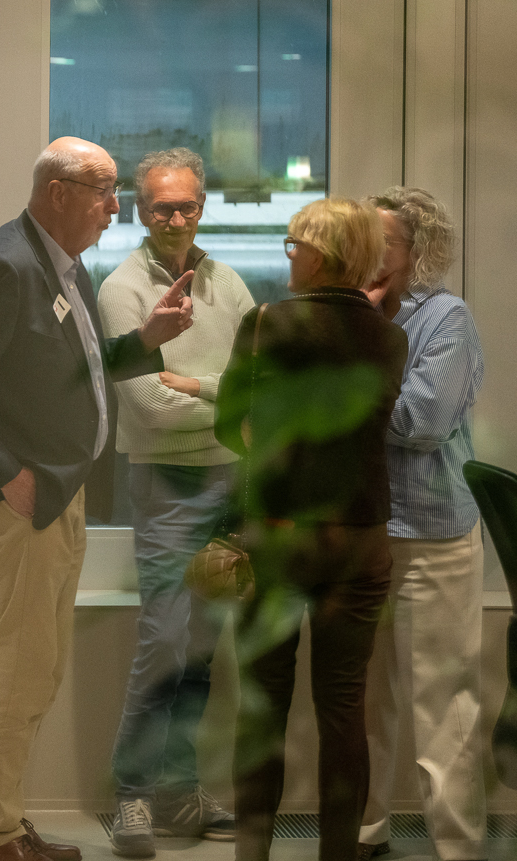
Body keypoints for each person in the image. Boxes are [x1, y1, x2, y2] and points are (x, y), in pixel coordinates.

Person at [0, 136, 196, 861]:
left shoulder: (62, 265)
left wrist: (147, 338)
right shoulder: (7, 267)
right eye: (103, 191)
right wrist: (6, 475)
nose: (114, 208)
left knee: (38, 667)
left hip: (60, 493)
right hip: (26, 500)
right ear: (57, 194)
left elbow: (77, 373)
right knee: (21, 668)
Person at [215, 197, 407, 861]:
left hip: (278, 536)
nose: (289, 257)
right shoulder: (390, 337)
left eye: (294, 245)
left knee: (264, 706)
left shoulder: (267, 322)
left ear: (319, 256)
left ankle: (252, 855)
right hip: (360, 538)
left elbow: (228, 426)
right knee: (343, 709)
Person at [97, 149, 252, 855]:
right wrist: (228, 403)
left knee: (202, 650)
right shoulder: (122, 290)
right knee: (162, 643)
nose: (175, 218)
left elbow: (261, 384)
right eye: (161, 207)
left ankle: (180, 793)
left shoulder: (228, 283)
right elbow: (150, 410)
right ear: (139, 209)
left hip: (229, 486)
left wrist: (195, 385)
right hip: (166, 485)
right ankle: (131, 796)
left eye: (186, 205)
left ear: (202, 207)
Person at [357, 188, 486, 861]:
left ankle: (458, 846)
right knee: (363, 702)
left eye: (383, 241)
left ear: (420, 251)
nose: (366, 250)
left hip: (433, 536)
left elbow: (421, 422)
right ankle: (365, 833)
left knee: (445, 706)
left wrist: (344, 386)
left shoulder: (446, 317)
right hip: (364, 532)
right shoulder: (350, 311)